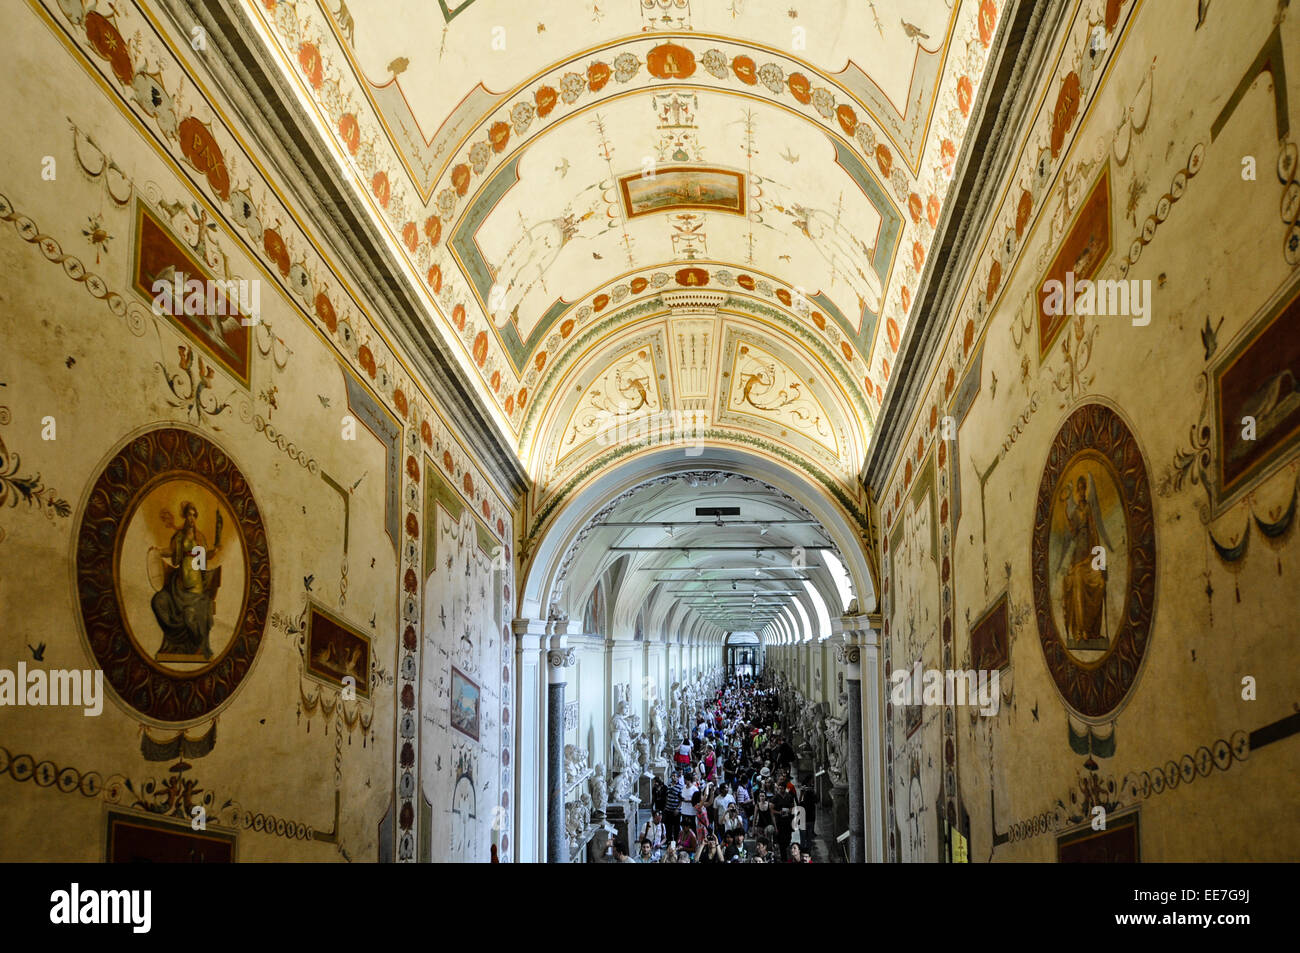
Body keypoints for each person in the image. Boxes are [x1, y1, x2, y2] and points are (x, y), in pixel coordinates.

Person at [664, 770, 682, 842]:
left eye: (675, 776)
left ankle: (676, 841)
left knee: (676, 827)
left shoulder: (680, 787)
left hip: (675, 811)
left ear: (678, 777)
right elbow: (667, 796)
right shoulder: (668, 785)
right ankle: (669, 841)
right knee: (668, 827)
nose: (673, 777)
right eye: (672, 776)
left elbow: (681, 800)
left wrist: (677, 809)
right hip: (668, 809)